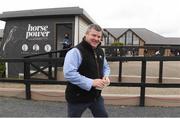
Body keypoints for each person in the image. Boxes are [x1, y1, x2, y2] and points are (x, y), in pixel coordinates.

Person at [63, 24, 110, 117]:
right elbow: (69, 73)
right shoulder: (75, 51)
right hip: (78, 97)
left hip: (95, 96)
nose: (96, 39)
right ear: (86, 34)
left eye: (99, 36)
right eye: (93, 35)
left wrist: (106, 76)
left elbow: (106, 67)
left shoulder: (100, 51)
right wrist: (91, 82)